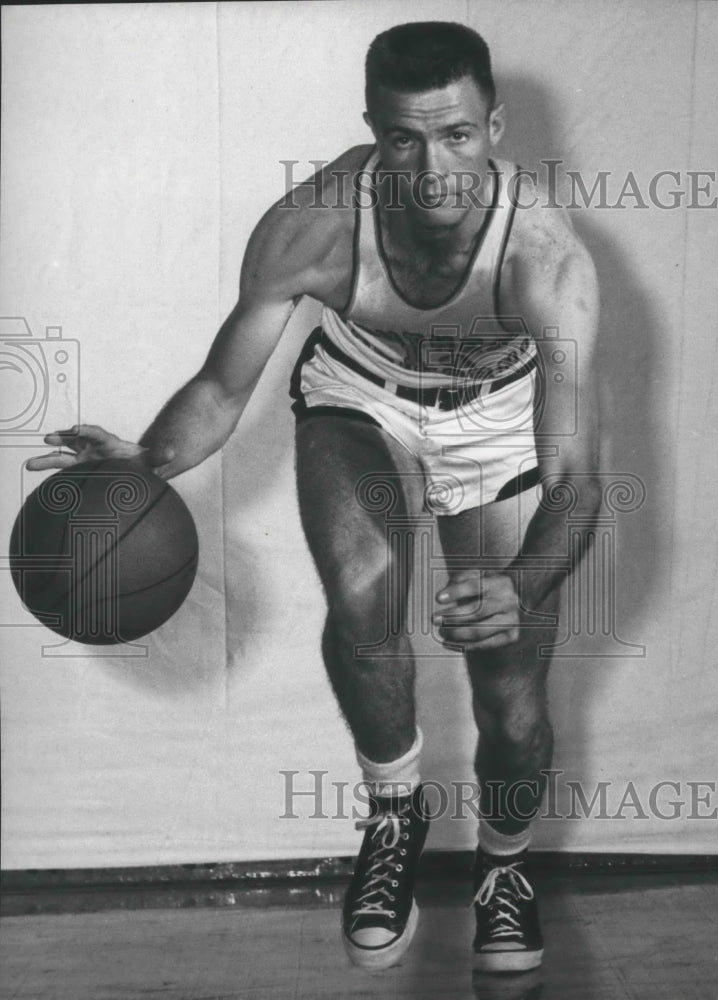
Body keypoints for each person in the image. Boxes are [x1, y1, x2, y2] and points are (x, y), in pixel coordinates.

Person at [28, 22, 601, 975]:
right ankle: (393, 813)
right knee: (364, 593)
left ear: (495, 125)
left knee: (509, 688)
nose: (432, 169)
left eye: (458, 135)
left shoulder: (545, 259)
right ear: (372, 127)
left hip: (499, 417)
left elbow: (578, 479)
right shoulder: (316, 223)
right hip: (361, 392)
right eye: (405, 139)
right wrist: (147, 459)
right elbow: (222, 388)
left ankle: (506, 870)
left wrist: (526, 584)